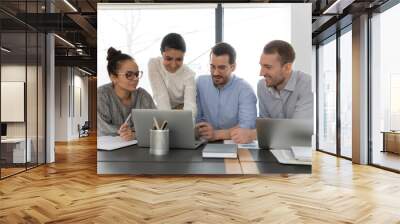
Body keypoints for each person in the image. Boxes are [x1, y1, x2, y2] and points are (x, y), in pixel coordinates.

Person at [230, 40, 313, 143]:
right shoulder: (262, 86)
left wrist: (252, 134)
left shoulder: (307, 84)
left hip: (302, 151)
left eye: (268, 67)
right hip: (275, 149)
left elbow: (299, 131)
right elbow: (265, 125)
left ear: (287, 68)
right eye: (261, 66)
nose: (261, 73)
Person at [195, 42, 257, 142]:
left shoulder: (245, 89)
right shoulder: (200, 83)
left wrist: (216, 134)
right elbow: (195, 120)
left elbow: (247, 127)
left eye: (221, 68)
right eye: (212, 67)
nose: (215, 73)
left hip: (234, 143)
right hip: (204, 142)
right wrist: (201, 130)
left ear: (233, 67)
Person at [98, 47, 156, 141]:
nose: (136, 78)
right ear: (113, 77)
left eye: (137, 74)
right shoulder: (102, 95)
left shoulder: (143, 96)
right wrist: (137, 132)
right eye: (129, 75)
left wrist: (134, 134)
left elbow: (157, 127)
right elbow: (102, 130)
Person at [148, 33, 196, 116]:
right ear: (161, 53)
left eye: (179, 59)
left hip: (182, 109)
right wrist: (168, 119)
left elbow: (190, 106)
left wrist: (186, 121)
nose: (173, 65)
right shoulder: (154, 64)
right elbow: (161, 96)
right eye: (168, 58)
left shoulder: (189, 75)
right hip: (162, 108)